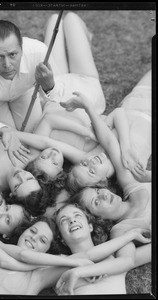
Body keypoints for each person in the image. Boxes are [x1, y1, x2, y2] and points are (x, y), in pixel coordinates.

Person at [55, 84, 152, 293]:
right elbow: (128, 261)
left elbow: (109, 142)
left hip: (139, 108)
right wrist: (79, 272)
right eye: (97, 202)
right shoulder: (121, 230)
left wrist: (88, 106)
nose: (105, 195)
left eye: (99, 192)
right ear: (97, 218)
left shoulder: (130, 183)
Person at [0, 204, 150, 295]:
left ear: (48, 250)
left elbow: (90, 256)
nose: (33, 237)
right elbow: (13, 256)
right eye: (32, 231)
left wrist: (128, 235)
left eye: (43, 240)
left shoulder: (42, 272)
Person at [0, 19, 60, 166]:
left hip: (24, 92)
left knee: (32, 135)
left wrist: (49, 86)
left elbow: (58, 95)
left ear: (22, 49)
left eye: (13, 54)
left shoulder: (39, 52)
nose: (7, 65)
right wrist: (3, 130)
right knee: (9, 142)